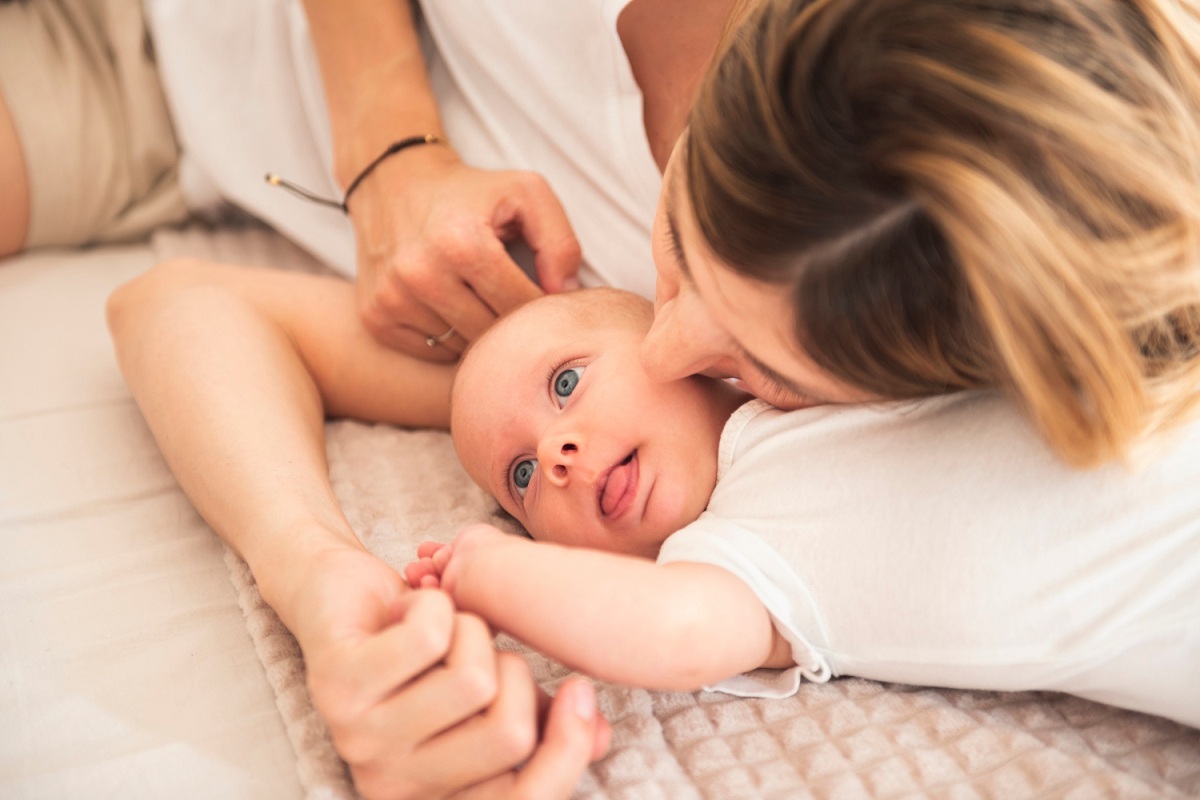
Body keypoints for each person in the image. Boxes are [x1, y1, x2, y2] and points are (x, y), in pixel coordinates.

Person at [57, 0, 1200, 792]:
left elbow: (186, 305)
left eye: (767, 371)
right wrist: (389, 145)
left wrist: (326, 587)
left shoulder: (700, 376)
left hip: (137, 124)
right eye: (682, 245)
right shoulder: (606, 301)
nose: (671, 340)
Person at [405, 287, 1200, 728]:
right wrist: (493, 570)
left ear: (667, 334)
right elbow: (674, 632)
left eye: (566, 383)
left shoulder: (815, 348)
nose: (555, 454)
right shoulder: (732, 554)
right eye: (520, 479)